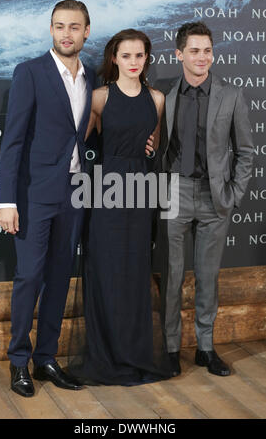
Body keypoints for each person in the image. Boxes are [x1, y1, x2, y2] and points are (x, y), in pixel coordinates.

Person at [0, 0, 96, 397]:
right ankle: (18, 361)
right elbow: (13, 141)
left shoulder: (91, 78)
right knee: (29, 278)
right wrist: (7, 201)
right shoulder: (31, 72)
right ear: (51, 30)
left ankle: (46, 359)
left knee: (58, 279)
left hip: (74, 193)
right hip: (34, 195)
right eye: (59, 26)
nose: (66, 34)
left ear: (86, 31)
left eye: (74, 27)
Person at [68, 29, 172, 385]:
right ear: (114, 58)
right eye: (126, 56)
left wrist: (149, 152)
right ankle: (107, 354)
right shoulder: (99, 97)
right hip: (106, 192)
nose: (132, 62)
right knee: (106, 270)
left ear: (146, 59)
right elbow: (81, 145)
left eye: (139, 56)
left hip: (141, 192)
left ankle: (134, 353)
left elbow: (153, 146)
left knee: (135, 271)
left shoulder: (156, 99)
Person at [155, 22, 253, 377]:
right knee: (172, 275)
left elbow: (245, 152)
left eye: (207, 50)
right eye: (194, 51)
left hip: (215, 198)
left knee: (208, 277)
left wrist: (232, 196)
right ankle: (170, 348)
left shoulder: (231, 95)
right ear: (179, 54)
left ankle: (206, 348)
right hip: (175, 191)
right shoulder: (162, 94)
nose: (202, 57)